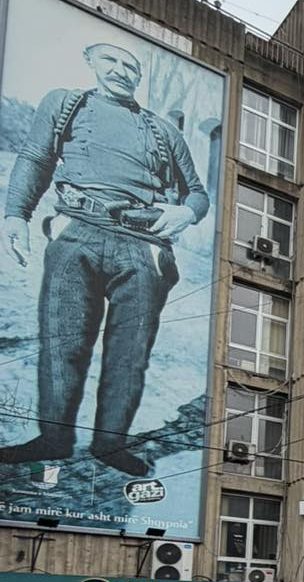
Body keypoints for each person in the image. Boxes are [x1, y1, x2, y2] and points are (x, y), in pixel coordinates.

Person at [1, 43, 209, 476]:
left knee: (130, 352)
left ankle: (109, 444)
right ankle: (54, 439)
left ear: (139, 77)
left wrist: (186, 212)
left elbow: (198, 193)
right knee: (63, 342)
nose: (121, 70)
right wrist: (16, 216)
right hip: (76, 231)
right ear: (91, 62)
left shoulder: (162, 131)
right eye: (110, 60)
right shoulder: (64, 104)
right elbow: (36, 158)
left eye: (131, 65)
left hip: (142, 244)